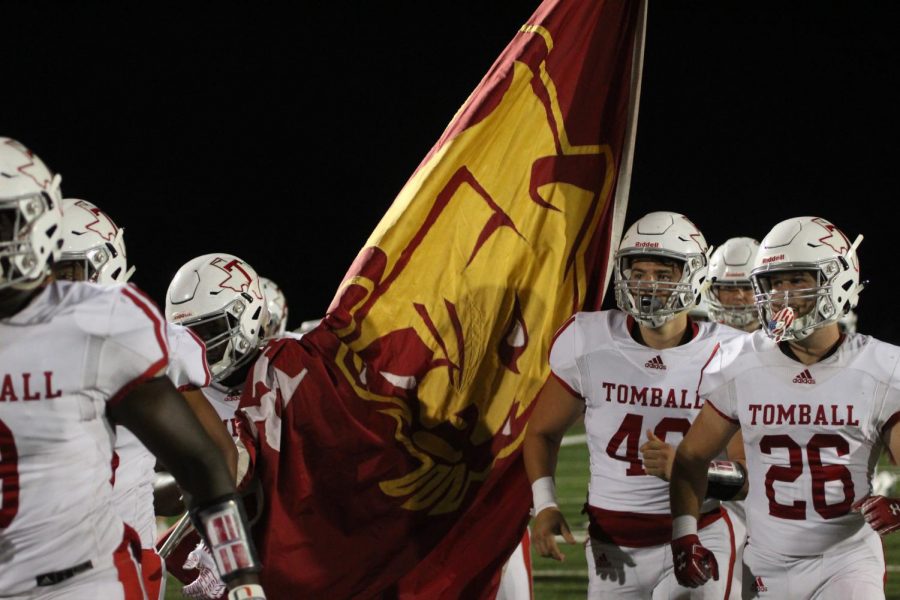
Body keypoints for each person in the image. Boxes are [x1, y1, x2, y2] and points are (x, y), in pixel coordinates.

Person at [0, 137, 264, 599]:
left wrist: (237, 574)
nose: (50, 282)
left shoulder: (124, 334)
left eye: (66, 270)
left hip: (99, 576)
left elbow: (207, 460)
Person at [523, 211, 746, 599]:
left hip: (699, 532)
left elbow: (748, 476)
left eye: (663, 274)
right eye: (638, 272)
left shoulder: (729, 352)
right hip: (612, 546)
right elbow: (542, 432)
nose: (648, 285)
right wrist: (545, 504)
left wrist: (690, 468)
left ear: (693, 274)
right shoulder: (589, 339)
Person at [668, 216, 892, 599]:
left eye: (797, 280)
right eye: (775, 283)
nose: (783, 295)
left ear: (837, 280)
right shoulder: (741, 361)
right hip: (765, 563)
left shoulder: (881, 367)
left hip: (847, 560)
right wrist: (684, 533)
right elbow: (691, 457)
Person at [51, 197, 237, 599]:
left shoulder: (150, 346)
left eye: (62, 270)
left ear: (104, 265)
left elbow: (213, 455)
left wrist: (221, 552)